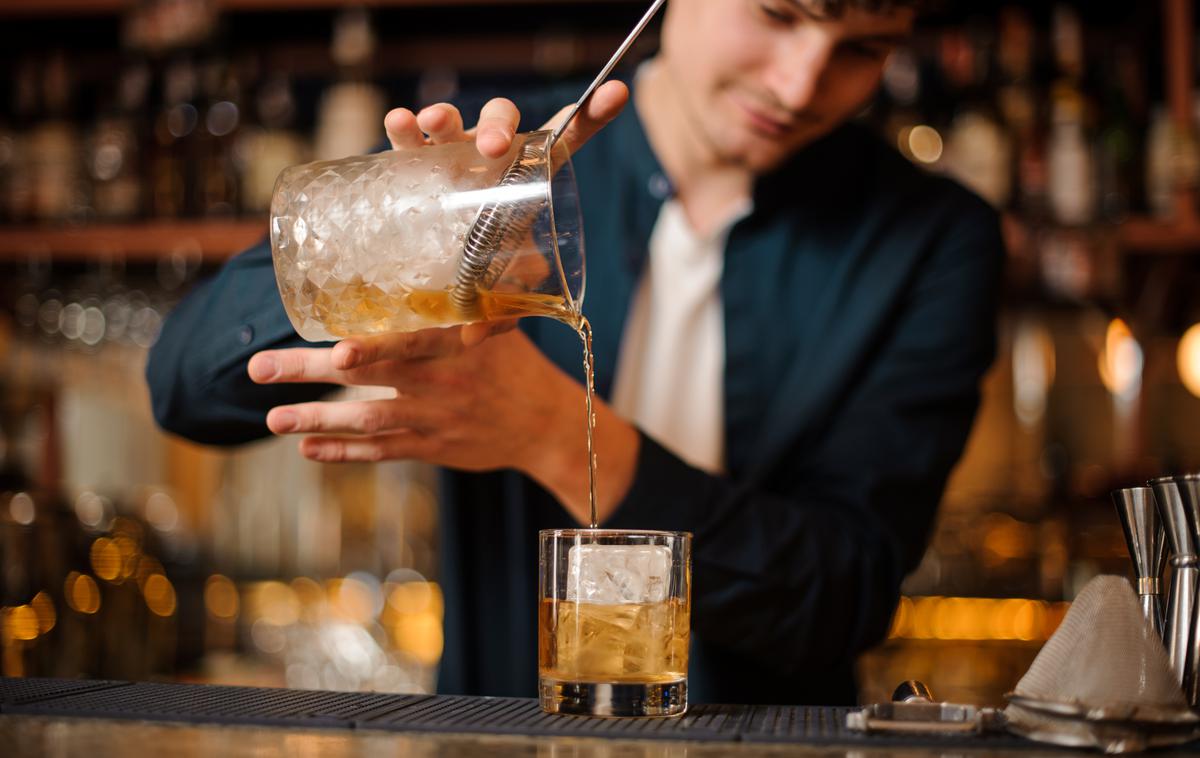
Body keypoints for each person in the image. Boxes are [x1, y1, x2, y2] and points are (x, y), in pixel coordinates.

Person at [147, 0, 1003, 706]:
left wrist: (556, 432)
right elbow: (182, 384)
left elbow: (841, 597)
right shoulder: (498, 172)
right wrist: (391, 245)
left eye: (863, 49)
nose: (800, 82)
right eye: (779, 14)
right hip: (500, 727)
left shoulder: (932, 240)